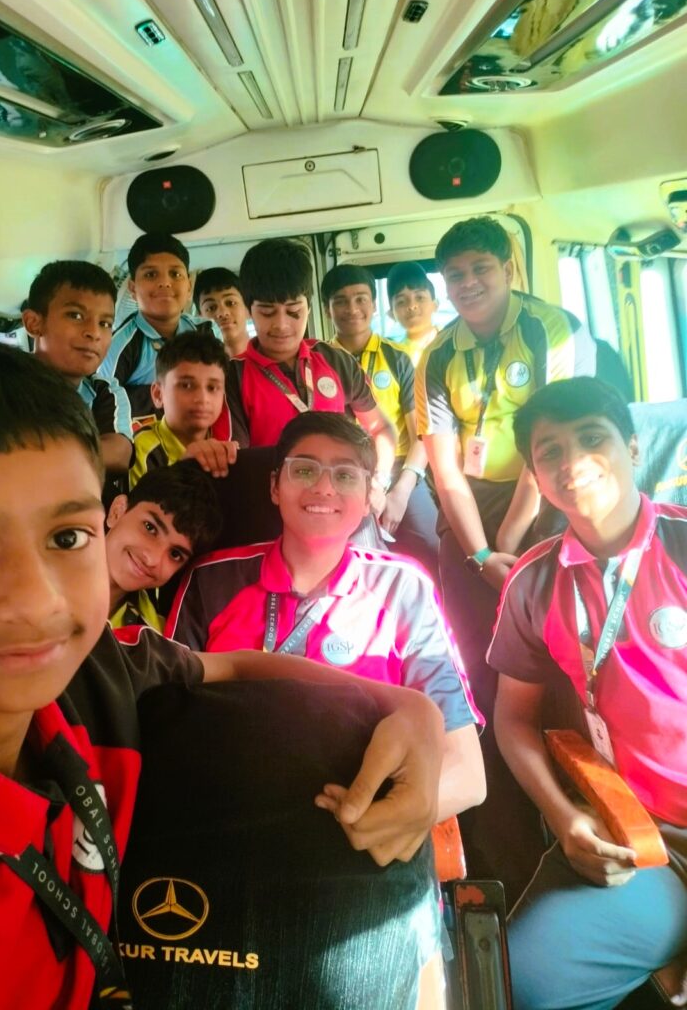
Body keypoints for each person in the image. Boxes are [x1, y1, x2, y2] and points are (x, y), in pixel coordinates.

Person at [0, 340, 444, 1009]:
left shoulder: (99, 676)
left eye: (67, 538)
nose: (36, 600)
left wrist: (407, 707)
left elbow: (232, 665)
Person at [168, 411, 485, 826]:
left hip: (356, 824)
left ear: (369, 495)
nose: (323, 487)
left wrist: (373, 826)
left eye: (345, 475)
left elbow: (466, 770)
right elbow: (170, 722)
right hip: (229, 814)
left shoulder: (404, 588)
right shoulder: (211, 580)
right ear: (275, 487)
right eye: (304, 470)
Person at [490, 377, 687, 1010]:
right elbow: (513, 720)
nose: (572, 461)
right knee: (518, 987)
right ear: (535, 475)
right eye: (550, 451)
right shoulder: (533, 581)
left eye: (592, 438)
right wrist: (562, 813)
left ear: (633, 447)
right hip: (638, 835)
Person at [416, 215, 596, 896]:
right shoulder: (439, 354)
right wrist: (480, 553)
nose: (467, 284)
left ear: (509, 268)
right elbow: (444, 470)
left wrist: (512, 552)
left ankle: (577, 803)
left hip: (544, 497)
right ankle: (500, 838)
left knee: (557, 663)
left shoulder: (553, 330)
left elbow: (546, 449)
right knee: (474, 673)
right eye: (455, 275)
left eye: (480, 269)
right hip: (470, 516)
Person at [219, 238, 396, 514]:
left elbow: (381, 428)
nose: (282, 325)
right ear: (249, 310)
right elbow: (236, 461)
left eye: (294, 311)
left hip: (343, 504)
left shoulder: (335, 360)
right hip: (275, 511)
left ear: (310, 307)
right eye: (267, 312)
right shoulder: (232, 376)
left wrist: (378, 482)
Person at [322, 263, 439, 576]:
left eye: (361, 299)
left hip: (398, 470)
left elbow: (421, 435)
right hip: (343, 473)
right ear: (326, 309)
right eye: (340, 301)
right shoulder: (319, 361)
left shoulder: (398, 357)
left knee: (431, 546)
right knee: (349, 560)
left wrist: (400, 491)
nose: (352, 309)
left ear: (374, 305)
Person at [22, 259, 133, 476]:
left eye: (105, 323)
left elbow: (119, 453)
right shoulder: (2, 383)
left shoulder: (104, 391)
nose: (94, 333)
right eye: (76, 316)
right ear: (34, 323)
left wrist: (37, 458)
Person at [99, 232, 216, 420]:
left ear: (189, 286)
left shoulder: (207, 332)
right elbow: (103, 409)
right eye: (151, 274)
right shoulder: (119, 346)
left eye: (175, 274)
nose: (165, 283)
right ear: (133, 289)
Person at [106, 462, 222, 631]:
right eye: (150, 528)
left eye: (175, 554)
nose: (152, 559)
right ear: (117, 511)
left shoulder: (152, 637)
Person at [129, 332, 235, 487]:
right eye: (186, 385)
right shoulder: (141, 451)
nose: (202, 398)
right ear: (158, 394)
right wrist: (185, 466)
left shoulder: (225, 443)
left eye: (212, 388)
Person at [386, 261, 439, 366]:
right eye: (401, 302)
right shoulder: (393, 356)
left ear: (435, 305)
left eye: (419, 298)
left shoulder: (453, 340)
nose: (411, 305)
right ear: (391, 314)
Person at [194, 265, 251, 357]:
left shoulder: (272, 357)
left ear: (247, 307)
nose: (222, 313)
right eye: (211, 308)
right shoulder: (194, 364)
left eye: (231, 303)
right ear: (200, 318)